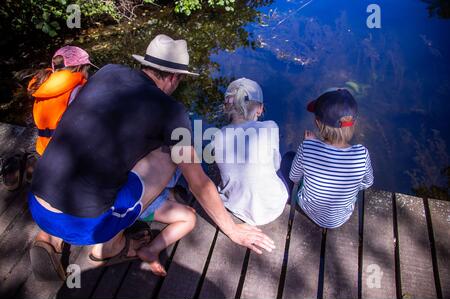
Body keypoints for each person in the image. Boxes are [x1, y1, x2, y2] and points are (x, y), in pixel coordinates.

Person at [28, 35, 274, 281]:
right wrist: (233, 231)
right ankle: (112, 245)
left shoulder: (107, 72)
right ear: (174, 77)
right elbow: (198, 183)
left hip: (37, 200)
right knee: (169, 155)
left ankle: (47, 238)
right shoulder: (171, 111)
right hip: (86, 226)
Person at [289, 89, 374, 229]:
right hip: (341, 217)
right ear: (354, 123)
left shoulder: (307, 147)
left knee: (289, 158)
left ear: (317, 123)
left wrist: (312, 144)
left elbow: (294, 177)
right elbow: (367, 183)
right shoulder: (361, 155)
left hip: (308, 210)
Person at [212, 78, 288, 225]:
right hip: (272, 208)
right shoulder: (270, 127)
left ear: (226, 108)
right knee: (286, 163)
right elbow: (276, 165)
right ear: (260, 109)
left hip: (236, 208)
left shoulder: (217, 136)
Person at [28, 46, 95, 156]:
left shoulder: (41, 86)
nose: (87, 74)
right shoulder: (77, 90)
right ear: (79, 67)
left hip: (44, 150)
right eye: (87, 69)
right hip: (67, 153)